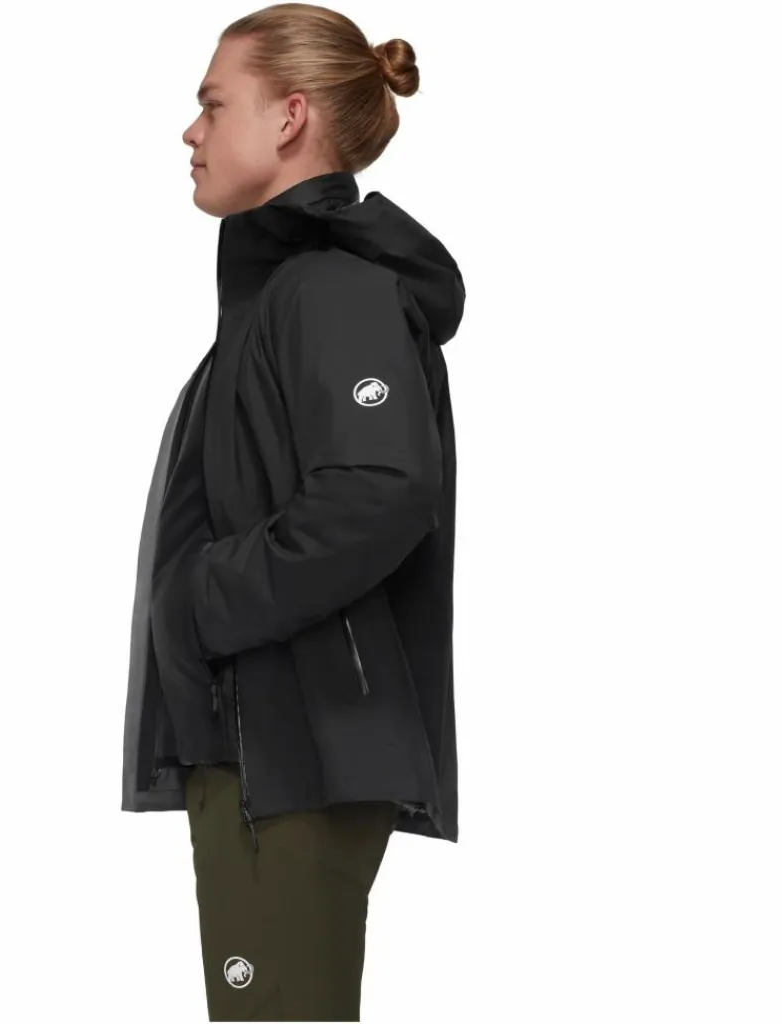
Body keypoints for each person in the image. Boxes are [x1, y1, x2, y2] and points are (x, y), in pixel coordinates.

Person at [120, 3, 466, 1020]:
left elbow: (380, 488)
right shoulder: (280, 294)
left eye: (213, 104)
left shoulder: (330, 291)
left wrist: (196, 601)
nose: (191, 131)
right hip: (262, 740)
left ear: (289, 118)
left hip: (297, 747)